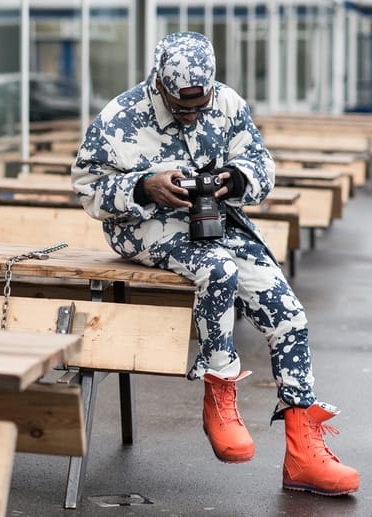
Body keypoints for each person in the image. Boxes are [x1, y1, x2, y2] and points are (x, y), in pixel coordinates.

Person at [71, 31, 359, 496]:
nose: (192, 113)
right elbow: (87, 188)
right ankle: (218, 389)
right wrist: (145, 187)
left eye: (199, 105)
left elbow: (261, 164)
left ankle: (304, 455)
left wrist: (237, 178)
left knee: (290, 316)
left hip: (215, 223)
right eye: (182, 107)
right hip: (146, 228)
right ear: (160, 85)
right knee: (217, 272)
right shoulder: (120, 115)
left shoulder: (226, 103)